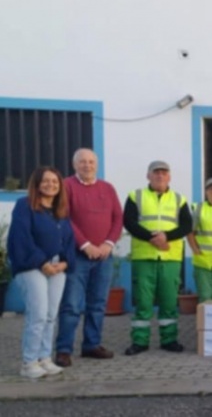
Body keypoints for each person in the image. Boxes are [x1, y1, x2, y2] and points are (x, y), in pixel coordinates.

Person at [55, 149, 123, 368]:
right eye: (82, 162)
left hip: (104, 256)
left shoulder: (107, 188)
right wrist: (85, 245)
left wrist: (107, 244)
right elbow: (64, 218)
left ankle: (91, 345)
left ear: (97, 164)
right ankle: (64, 350)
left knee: (97, 304)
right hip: (77, 256)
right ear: (75, 165)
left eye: (91, 162)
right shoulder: (66, 186)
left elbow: (117, 219)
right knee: (72, 305)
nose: (87, 165)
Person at [7, 167, 76, 378]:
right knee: (37, 315)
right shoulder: (24, 206)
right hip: (32, 267)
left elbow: (69, 242)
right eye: (45, 181)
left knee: (50, 315)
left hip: (57, 268)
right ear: (36, 184)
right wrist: (42, 262)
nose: (51, 185)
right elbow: (21, 238)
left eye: (55, 181)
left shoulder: (60, 212)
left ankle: (44, 358)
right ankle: (29, 363)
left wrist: (65, 263)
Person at [122, 161, 192, 355]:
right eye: (156, 173)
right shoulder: (135, 196)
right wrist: (152, 238)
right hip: (144, 257)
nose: (160, 176)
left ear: (169, 177)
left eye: (164, 173)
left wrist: (166, 237)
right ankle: (140, 342)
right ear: (148, 176)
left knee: (169, 302)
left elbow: (187, 225)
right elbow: (128, 221)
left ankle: (169, 340)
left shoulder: (179, 199)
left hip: (170, 258)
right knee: (143, 302)